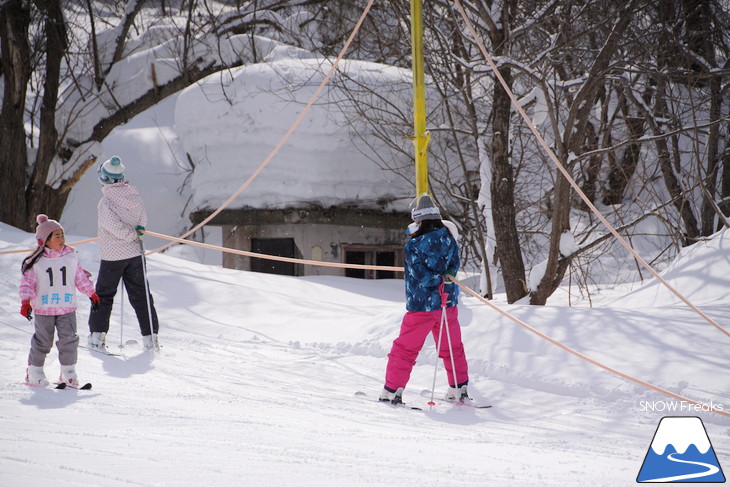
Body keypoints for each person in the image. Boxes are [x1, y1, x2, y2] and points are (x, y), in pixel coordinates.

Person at [379, 194, 469, 404]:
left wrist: (435, 279)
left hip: (422, 306)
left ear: (419, 221)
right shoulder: (449, 239)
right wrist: (445, 279)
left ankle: (392, 390)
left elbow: (422, 276)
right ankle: (459, 387)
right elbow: (454, 267)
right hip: (447, 304)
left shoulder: (414, 245)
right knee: (452, 347)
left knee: (405, 349)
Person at [88, 155, 160, 351]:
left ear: (103, 179)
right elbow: (142, 219)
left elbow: (113, 226)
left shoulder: (106, 202)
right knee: (141, 294)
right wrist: (137, 233)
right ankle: (150, 336)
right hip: (135, 254)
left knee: (103, 295)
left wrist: (129, 235)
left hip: (113, 256)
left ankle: (97, 336)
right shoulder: (134, 196)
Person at [20, 214, 100, 386]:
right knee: (43, 341)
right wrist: (25, 302)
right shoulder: (36, 262)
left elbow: (79, 278)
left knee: (69, 340)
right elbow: (27, 284)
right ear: (44, 241)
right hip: (44, 308)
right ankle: (34, 372)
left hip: (67, 307)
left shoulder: (71, 257)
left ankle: (68, 373)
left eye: (62, 235)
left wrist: (91, 293)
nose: (61, 239)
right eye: (57, 236)